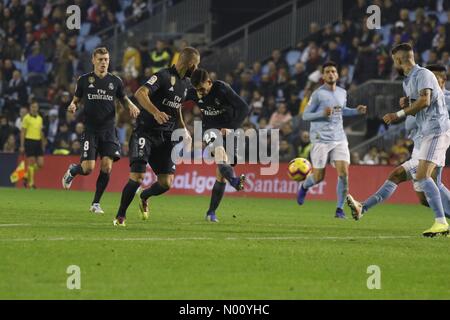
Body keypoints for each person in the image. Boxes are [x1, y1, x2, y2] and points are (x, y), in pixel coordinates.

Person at [347, 63, 450, 230]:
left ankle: (363, 207)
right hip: (420, 147)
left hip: (433, 144)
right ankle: (362, 207)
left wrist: (406, 107)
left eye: (434, 77)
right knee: (426, 197)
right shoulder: (423, 96)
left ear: (443, 80)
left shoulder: (444, 99)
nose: (428, 80)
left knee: (400, 176)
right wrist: (409, 103)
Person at [114, 47, 200, 226]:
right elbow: (140, 93)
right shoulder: (162, 76)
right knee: (137, 177)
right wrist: (155, 112)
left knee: (166, 183)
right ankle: (120, 215)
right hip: (145, 132)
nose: (197, 69)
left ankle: (145, 196)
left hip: (166, 136)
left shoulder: (185, 84)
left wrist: (183, 129)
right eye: (196, 65)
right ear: (190, 63)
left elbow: (176, 106)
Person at [377, 43, 450, 237]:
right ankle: (442, 223)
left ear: (399, 60)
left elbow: (425, 101)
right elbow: (420, 103)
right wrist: (408, 103)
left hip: (437, 130)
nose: (394, 64)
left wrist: (398, 113)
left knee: (423, 176)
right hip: (426, 133)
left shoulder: (424, 74)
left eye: (394, 60)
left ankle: (441, 222)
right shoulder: (408, 80)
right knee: (430, 183)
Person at [61, 47, 140, 214]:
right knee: (88, 168)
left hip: (109, 130)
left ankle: (95, 203)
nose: (104, 62)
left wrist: (131, 105)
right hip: (90, 130)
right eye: (100, 59)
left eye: (106, 59)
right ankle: (73, 170)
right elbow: (76, 99)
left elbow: (123, 98)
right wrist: (73, 105)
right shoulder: (84, 80)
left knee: (107, 167)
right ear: (93, 60)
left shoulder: (116, 81)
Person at [298, 61, 367, 218]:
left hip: (339, 138)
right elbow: (306, 115)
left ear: (337, 74)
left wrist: (356, 111)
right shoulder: (317, 94)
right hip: (320, 139)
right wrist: (322, 113)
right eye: (327, 71)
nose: (330, 74)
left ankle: (339, 209)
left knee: (344, 174)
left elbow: (341, 111)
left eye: (333, 71)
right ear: (323, 75)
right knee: (318, 177)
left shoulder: (342, 92)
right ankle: (304, 186)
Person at [184, 68, 249, 222]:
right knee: (219, 150)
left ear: (209, 82)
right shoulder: (193, 92)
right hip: (210, 130)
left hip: (230, 130)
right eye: (197, 90)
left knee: (221, 174)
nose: (200, 93)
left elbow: (244, 108)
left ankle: (211, 212)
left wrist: (231, 128)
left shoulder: (222, 88)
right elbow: (175, 99)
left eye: (202, 89)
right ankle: (234, 181)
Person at [20, 101, 45, 189]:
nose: (34, 108)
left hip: (38, 141)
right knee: (31, 162)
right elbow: (23, 132)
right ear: (30, 108)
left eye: (36, 107)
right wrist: (22, 145)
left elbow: (41, 132)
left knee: (41, 164)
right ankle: (31, 184)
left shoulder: (40, 118)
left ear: (37, 108)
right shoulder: (26, 118)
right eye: (33, 107)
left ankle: (26, 175)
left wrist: (43, 143)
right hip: (29, 141)